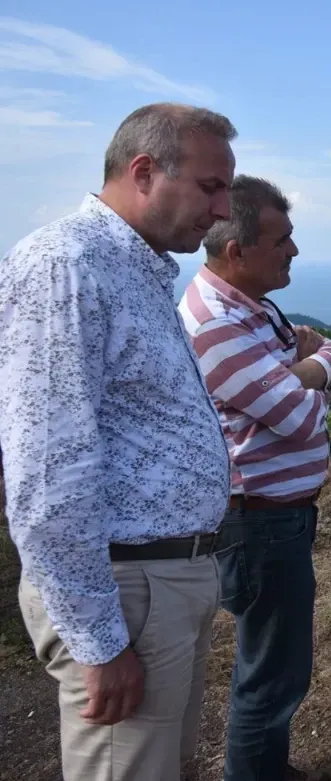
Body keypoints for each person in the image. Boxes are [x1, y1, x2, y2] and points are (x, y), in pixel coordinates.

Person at [0, 103, 237, 780]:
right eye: (210, 187)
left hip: (164, 581)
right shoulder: (65, 266)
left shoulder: (133, 267)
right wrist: (99, 643)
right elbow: (48, 473)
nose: (221, 211)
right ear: (143, 171)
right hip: (127, 588)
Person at [179, 176, 331, 781]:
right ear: (237, 251)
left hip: (276, 518)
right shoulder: (217, 326)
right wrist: (316, 365)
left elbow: (317, 367)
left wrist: (304, 365)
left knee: (275, 665)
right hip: (259, 522)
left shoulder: (250, 312)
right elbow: (302, 419)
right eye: (283, 240)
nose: (294, 251)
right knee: (271, 673)